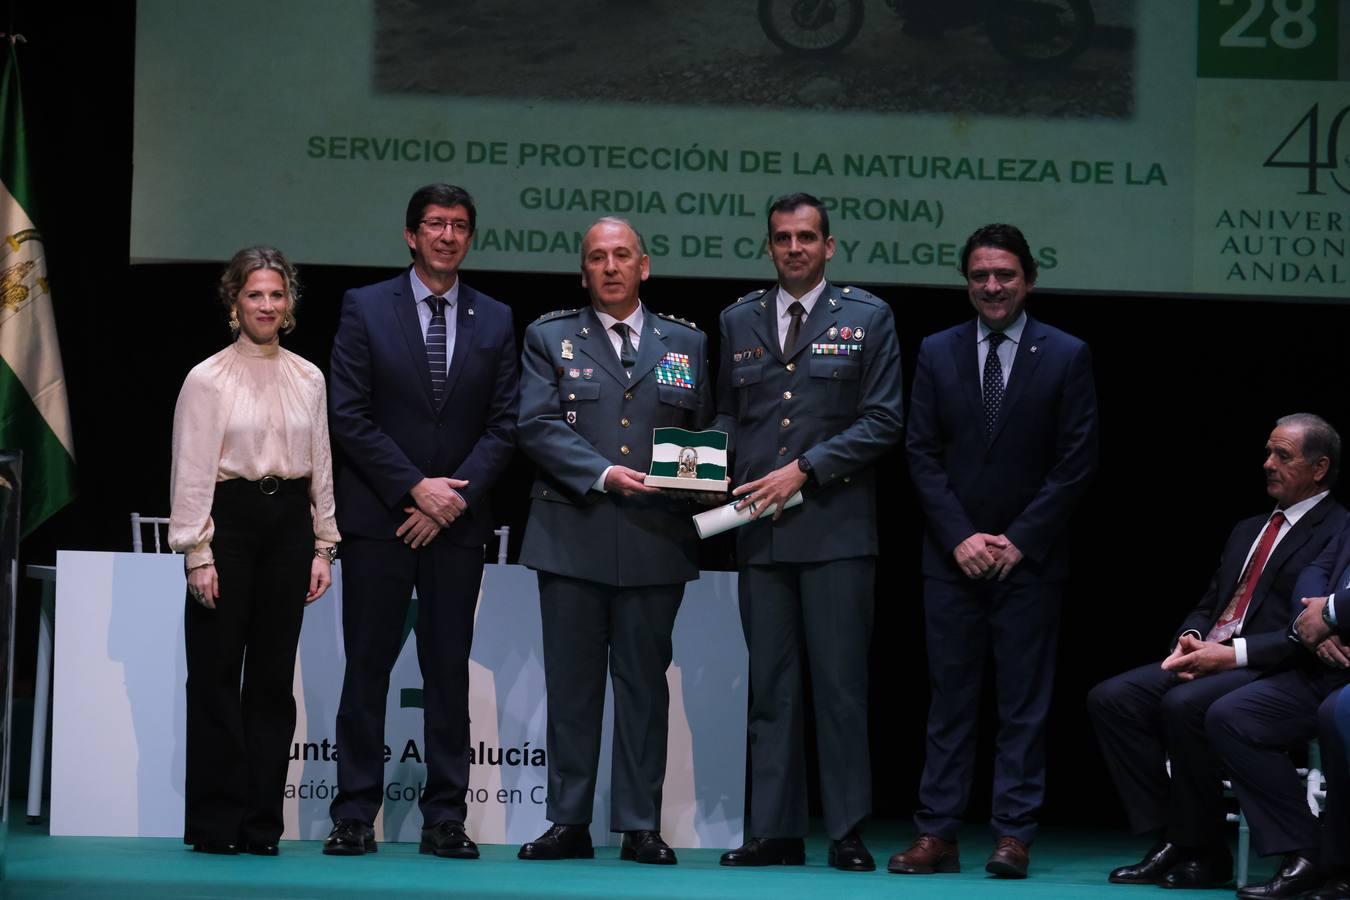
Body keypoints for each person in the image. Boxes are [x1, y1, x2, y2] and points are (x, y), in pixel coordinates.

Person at [896, 223, 1098, 879]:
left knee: (1023, 708)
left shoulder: (1067, 354)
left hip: (1029, 564)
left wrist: (1018, 540)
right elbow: (920, 455)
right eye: (980, 275)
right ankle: (938, 835)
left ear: (1028, 280)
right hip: (950, 560)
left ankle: (1013, 836)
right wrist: (960, 537)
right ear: (967, 282)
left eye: (1004, 275)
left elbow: (1075, 464)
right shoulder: (935, 349)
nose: (991, 286)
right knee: (948, 705)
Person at [324, 184, 519, 859]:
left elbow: (504, 425)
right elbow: (348, 414)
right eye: (435, 224)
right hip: (381, 520)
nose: (446, 235)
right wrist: (414, 489)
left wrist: (451, 499)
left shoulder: (495, 318)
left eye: (459, 225)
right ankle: (353, 814)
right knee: (366, 669)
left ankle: (446, 819)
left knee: (446, 672)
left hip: (458, 525)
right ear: (411, 235)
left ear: (470, 237)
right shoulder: (365, 307)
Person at [513, 217, 713, 865]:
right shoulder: (550, 337)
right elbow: (535, 424)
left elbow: (706, 431)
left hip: (657, 538)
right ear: (583, 272)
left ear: (644, 266)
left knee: (643, 689)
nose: (610, 266)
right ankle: (568, 821)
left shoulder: (687, 341)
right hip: (572, 533)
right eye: (597, 257)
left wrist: (707, 475)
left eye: (621, 255)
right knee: (572, 689)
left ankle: (638, 824)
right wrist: (600, 472)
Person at [714, 192, 904, 872]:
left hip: (836, 531)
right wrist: (700, 463)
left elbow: (884, 420)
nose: (794, 248)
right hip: (759, 534)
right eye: (782, 238)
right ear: (769, 247)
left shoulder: (867, 316)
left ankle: (846, 830)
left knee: (841, 688)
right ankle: (774, 830)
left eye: (806, 237)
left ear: (829, 246)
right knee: (771, 688)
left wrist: (805, 471)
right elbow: (730, 419)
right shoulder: (738, 320)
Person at [1087, 414, 1346, 888]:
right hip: (1214, 652)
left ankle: (1201, 849)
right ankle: (1183, 839)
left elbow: (1308, 624)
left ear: (1319, 467)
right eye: (1267, 452)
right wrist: (1189, 636)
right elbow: (1213, 601)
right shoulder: (1248, 528)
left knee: (1183, 704)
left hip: (1274, 665)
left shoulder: (1337, 528)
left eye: (1282, 456)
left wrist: (1232, 654)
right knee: (1113, 698)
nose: (1267, 464)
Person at [169, 246, 339, 855]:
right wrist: (196, 551)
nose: (266, 305)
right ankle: (218, 825)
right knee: (216, 677)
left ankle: (261, 825)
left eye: (276, 294)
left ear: (288, 302)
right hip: (229, 525)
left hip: (289, 526)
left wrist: (324, 544)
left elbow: (321, 462)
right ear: (233, 301)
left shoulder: (308, 376)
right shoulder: (207, 377)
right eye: (254, 295)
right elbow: (191, 470)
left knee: (271, 682)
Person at [1206, 515, 1350, 899]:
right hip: (1324, 661)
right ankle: (1304, 852)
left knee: (1337, 714)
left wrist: (1332, 613)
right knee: (1233, 716)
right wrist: (1311, 620)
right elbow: (1315, 570)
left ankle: (1344, 866)